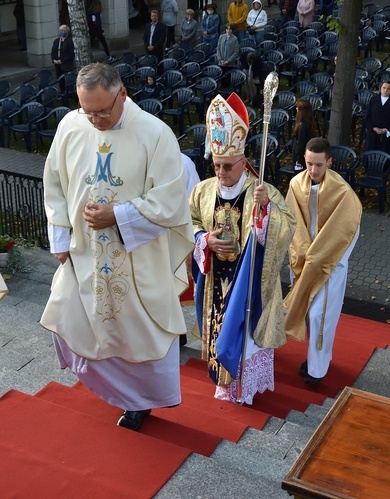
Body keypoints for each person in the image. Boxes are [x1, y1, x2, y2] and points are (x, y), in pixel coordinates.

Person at [40, 62, 195, 432]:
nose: (93, 119)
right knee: (67, 314)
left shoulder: (155, 134)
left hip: (137, 259)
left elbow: (170, 200)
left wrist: (119, 215)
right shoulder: (71, 126)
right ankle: (107, 387)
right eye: (86, 110)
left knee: (139, 332)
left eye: (102, 111)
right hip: (83, 253)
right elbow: (54, 184)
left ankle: (139, 402)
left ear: (122, 94)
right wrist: (61, 238)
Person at [190, 92, 296, 404]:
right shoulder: (203, 190)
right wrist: (203, 240)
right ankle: (222, 382)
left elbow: (286, 228)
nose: (220, 173)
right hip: (215, 276)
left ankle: (243, 387)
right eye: (216, 165)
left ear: (242, 162)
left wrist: (266, 215)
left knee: (242, 330)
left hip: (247, 281)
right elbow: (191, 221)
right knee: (216, 329)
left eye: (227, 167)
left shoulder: (263, 191)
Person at [284, 137, 362, 385]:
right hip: (304, 259)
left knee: (320, 315)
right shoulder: (296, 184)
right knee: (308, 315)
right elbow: (291, 221)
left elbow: (349, 228)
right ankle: (318, 358)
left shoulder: (342, 192)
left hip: (329, 263)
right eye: (309, 164)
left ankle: (317, 371)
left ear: (329, 161)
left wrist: (329, 258)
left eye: (318, 164)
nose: (313, 170)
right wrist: (301, 253)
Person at [363, 81, 390, 169]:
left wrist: (387, 129)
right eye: (384, 88)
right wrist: (373, 128)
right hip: (373, 133)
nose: (385, 90)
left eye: (388, 89)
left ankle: (385, 170)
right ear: (380, 89)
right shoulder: (373, 100)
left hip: (387, 134)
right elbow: (367, 117)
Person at [291, 98, 316, 169]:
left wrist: (299, 160)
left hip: (301, 159)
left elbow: (301, 145)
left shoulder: (302, 126)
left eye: (297, 108)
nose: (296, 109)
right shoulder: (310, 123)